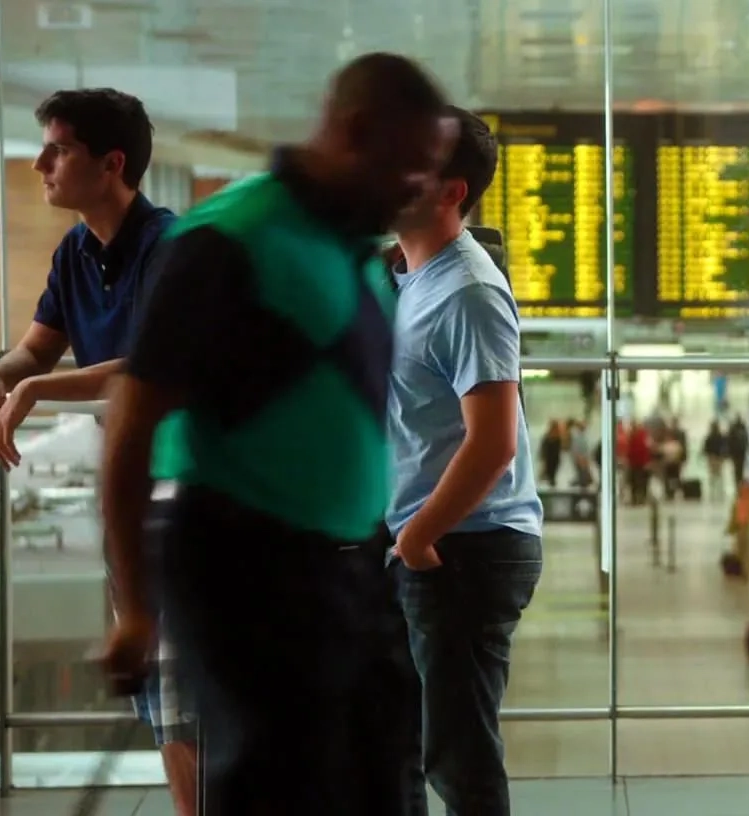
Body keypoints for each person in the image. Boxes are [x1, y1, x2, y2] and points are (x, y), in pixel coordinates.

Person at [96, 53, 454, 816]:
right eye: (413, 166)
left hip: (349, 569)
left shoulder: (355, 256)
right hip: (243, 568)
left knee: (383, 774)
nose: (421, 188)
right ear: (357, 132)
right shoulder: (231, 237)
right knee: (278, 785)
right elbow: (131, 423)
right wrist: (134, 611)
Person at [0, 87, 196, 816]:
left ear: (112, 163)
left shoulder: (169, 246)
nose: (40, 163)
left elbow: (153, 362)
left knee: (185, 692)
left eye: (58, 148)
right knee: (164, 697)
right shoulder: (76, 251)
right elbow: (35, 349)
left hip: (186, 489)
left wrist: (37, 389)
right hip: (130, 489)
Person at [383, 106, 544, 815]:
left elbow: (493, 440)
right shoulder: (412, 276)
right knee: (409, 741)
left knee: (458, 755)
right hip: (434, 543)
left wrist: (417, 538)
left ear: (451, 191)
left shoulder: (467, 292)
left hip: (463, 548)